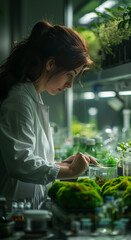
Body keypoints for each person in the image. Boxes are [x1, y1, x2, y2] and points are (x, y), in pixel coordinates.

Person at [0, 20, 98, 209]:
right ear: (50, 63)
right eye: (70, 74)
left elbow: (28, 155)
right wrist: (69, 171)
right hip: (13, 210)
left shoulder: (31, 96)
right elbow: (19, 162)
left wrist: (60, 165)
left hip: (25, 207)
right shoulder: (19, 98)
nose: (70, 85)